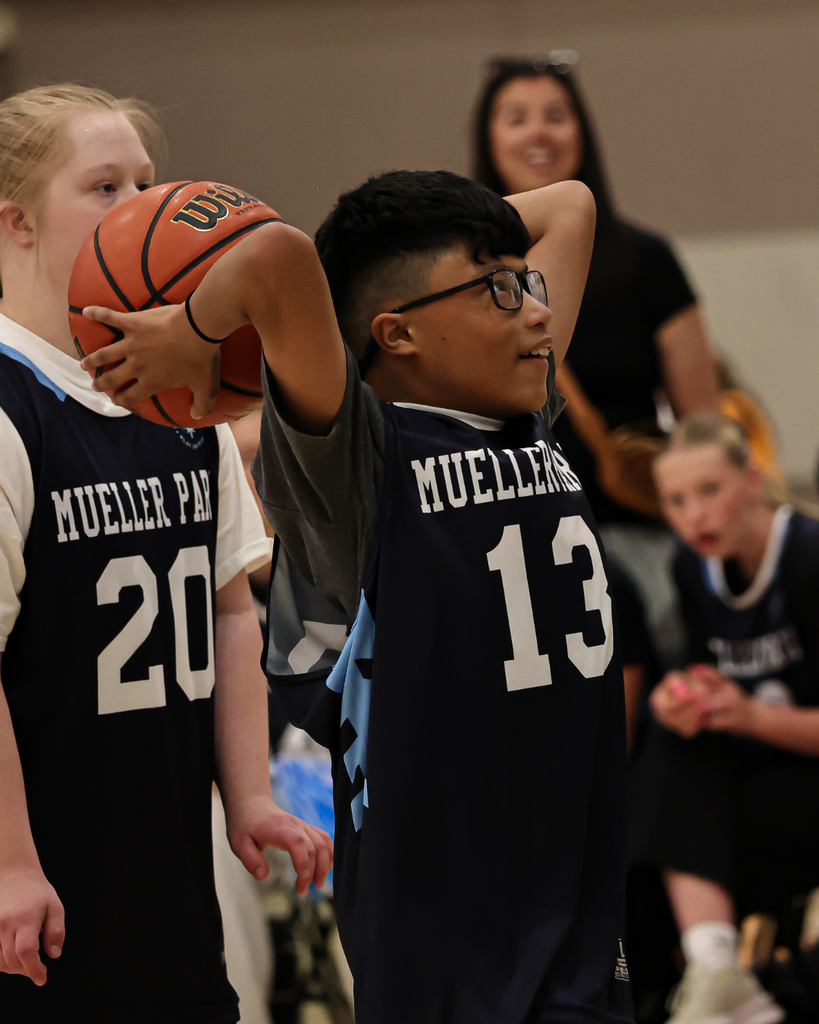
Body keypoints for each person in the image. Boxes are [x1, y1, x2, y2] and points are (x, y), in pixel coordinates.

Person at [80, 168, 634, 1023]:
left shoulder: (528, 414)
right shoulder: (362, 461)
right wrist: (200, 327)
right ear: (396, 333)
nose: (535, 309)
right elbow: (276, 256)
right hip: (448, 938)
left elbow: (571, 203)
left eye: (525, 281)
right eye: (496, 289)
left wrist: (414, 249)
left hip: (571, 907)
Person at [0, 84, 332, 1024]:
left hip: (168, 870)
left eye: (149, 182)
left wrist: (252, 794)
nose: (141, 206)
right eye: (105, 187)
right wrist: (12, 862)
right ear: (14, 222)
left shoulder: (184, 398)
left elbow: (231, 608)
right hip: (37, 883)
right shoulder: (9, 409)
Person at [473, 55, 719, 666]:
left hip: (631, 529)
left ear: (583, 131)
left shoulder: (646, 259)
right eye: (516, 117)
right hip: (500, 530)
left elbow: (705, 425)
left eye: (556, 116)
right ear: (488, 137)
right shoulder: (457, 272)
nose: (538, 133)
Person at [629, 412, 819, 1024]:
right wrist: (685, 698)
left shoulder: (808, 558)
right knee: (668, 740)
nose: (694, 516)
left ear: (752, 479)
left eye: (709, 491)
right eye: (675, 500)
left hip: (802, 772)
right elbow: (715, 683)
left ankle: (726, 977)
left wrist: (751, 717)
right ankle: (713, 967)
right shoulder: (692, 569)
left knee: (654, 834)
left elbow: (751, 714)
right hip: (760, 775)